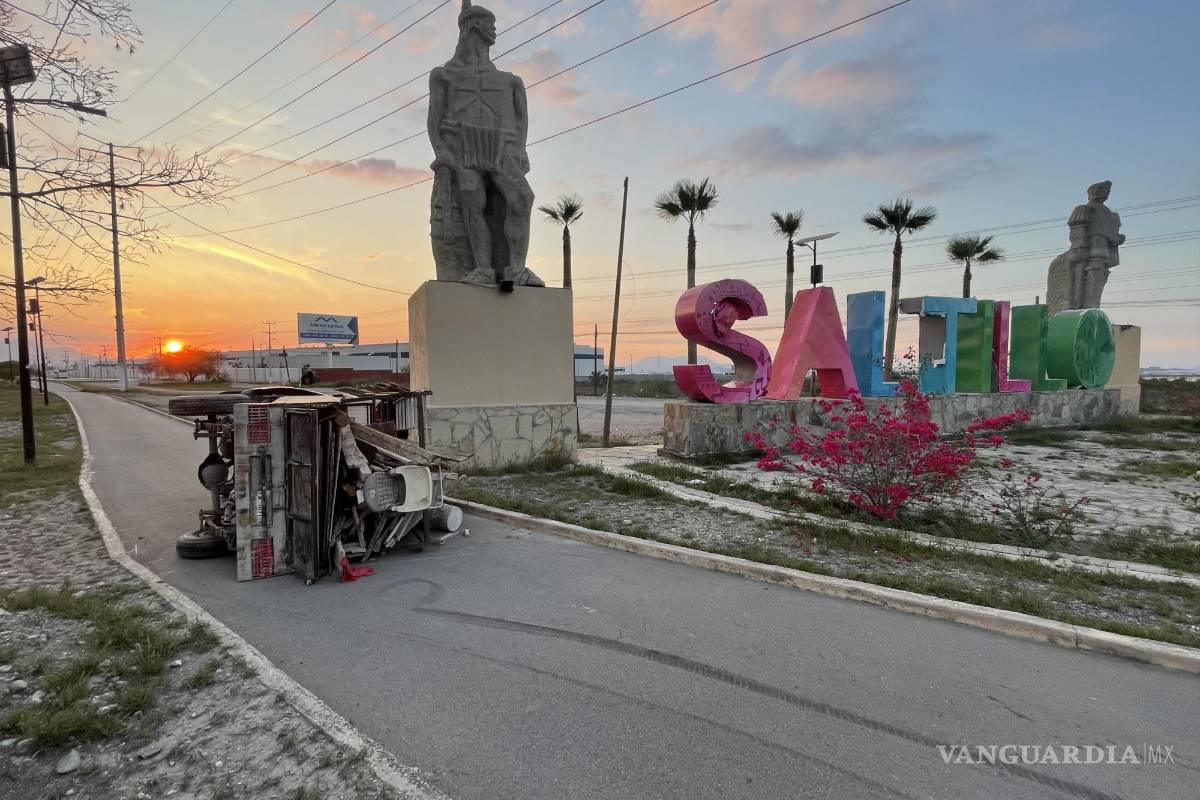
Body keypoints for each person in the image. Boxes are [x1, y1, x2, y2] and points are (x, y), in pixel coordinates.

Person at [428, 0, 543, 288]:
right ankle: (482, 269)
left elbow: (521, 120)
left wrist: (521, 148)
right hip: (461, 145)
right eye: (490, 24)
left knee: (521, 198)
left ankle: (516, 268)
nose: (494, 31)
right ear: (474, 26)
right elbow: (433, 120)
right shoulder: (443, 75)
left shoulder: (509, 81)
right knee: (472, 201)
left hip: (500, 147)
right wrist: (442, 152)